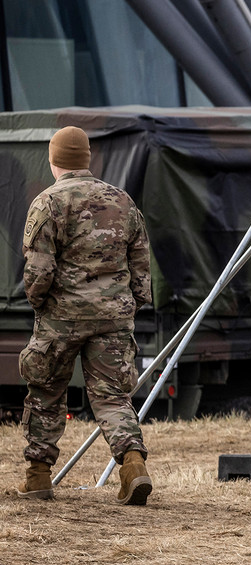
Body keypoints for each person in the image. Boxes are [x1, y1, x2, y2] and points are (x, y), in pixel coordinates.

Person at [17, 126, 153, 505]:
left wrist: (40, 302)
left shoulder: (47, 203)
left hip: (61, 317)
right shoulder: (122, 201)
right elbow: (141, 265)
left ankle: (39, 476)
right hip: (113, 316)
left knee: (46, 391)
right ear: (87, 158)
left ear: (53, 159)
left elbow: (38, 272)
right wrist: (130, 304)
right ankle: (133, 466)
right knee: (112, 397)